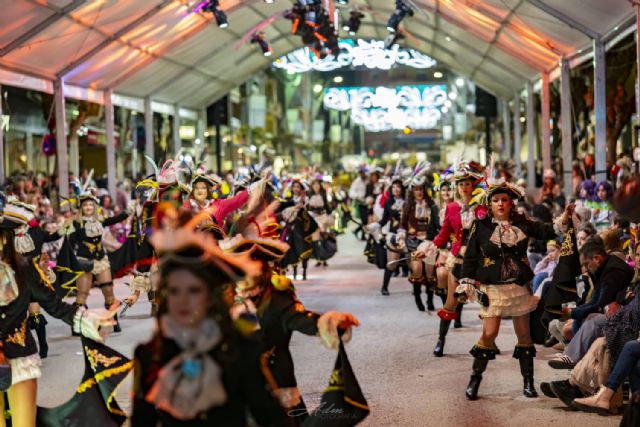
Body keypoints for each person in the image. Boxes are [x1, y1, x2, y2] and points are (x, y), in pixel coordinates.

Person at [130, 213, 287, 426]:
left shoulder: (240, 350)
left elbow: (273, 419)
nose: (183, 300)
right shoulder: (149, 356)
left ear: (210, 297)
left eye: (194, 290)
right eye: (174, 291)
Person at [0, 197, 115, 427]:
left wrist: (86, 320)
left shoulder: (24, 269)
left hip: (19, 359)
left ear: (5, 238)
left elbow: (55, 306)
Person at [458, 178, 571, 400]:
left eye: (504, 200)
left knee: (524, 335)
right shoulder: (481, 226)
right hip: (492, 288)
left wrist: (565, 217)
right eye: (496, 200)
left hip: (518, 287)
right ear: (489, 204)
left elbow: (547, 230)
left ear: (511, 203)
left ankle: (528, 382)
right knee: (489, 334)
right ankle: (474, 379)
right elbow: (470, 257)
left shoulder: (522, 222)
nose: (500, 204)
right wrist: (466, 283)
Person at [415, 160, 484, 356]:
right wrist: (428, 249)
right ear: (457, 187)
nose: (464, 187)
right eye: (461, 184)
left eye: (467, 184)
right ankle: (441, 340)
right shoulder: (452, 208)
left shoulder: (481, 206)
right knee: (450, 303)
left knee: (488, 303)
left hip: (479, 260)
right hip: (458, 259)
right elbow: (444, 234)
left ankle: (488, 341)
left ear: (472, 186)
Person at [63, 190, 129, 333]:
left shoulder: (100, 220)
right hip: (84, 261)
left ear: (95, 206)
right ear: (81, 207)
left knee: (108, 290)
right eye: (85, 205)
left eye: (90, 205)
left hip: (101, 260)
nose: (88, 207)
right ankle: (77, 325)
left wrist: (128, 211)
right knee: (82, 294)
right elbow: (69, 245)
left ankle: (114, 321)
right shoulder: (76, 223)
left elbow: (115, 219)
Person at [397, 164, 440, 312]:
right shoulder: (408, 205)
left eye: (421, 189)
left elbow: (437, 224)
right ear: (412, 191)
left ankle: (429, 299)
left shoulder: (432, 205)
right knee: (417, 270)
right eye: (416, 189)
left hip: (429, 243)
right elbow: (402, 224)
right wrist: (401, 237)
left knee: (430, 271)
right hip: (413, 243)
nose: (419, 192)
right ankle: (417, 298)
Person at [372, 178, 405, 295]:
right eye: (394, 187)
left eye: (398, 187)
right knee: (392, 263)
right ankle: (384, 287)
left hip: (409, 235)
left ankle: (418, 290)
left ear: (402, 189)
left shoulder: (408, 201)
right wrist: (374, 226)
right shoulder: (388, 202)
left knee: (414, 264)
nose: (396, 189)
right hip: (394, 235)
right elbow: (384, 220)